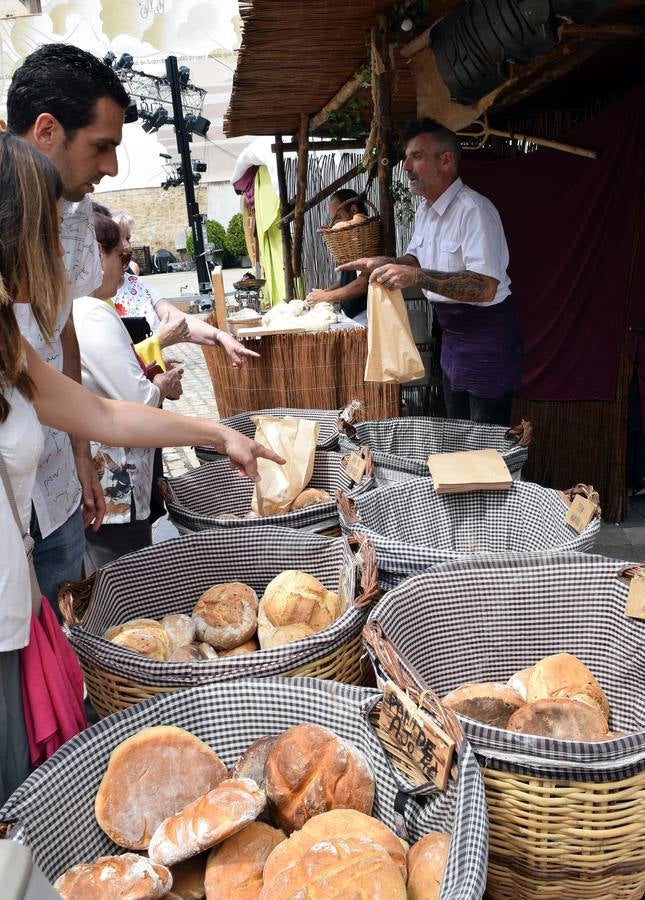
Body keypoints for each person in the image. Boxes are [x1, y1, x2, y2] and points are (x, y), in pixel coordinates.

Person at [0, 132, 283, 804]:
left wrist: (217, 433)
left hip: (13, 618)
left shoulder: (5, 338)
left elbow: (104, 415)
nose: (56, 253)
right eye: (47, 231)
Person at [6, 43, 130, 611]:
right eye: (101, 146)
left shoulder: (75, 222)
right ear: (47, 131)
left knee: (58, 647)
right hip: (10, 504)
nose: (111, 167)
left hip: (54, 487)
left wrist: (82, 454)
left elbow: (62, 338)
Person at [340, 118, 522, 425]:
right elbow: (415, 260)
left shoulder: (474, 210)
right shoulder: (426, 209)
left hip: (487, 342)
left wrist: (416, 277)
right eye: (407, 157)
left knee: (486, 446)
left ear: (446, 160)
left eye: (417, 157)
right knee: (458, 435)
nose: (406, 166)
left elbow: (485, 287)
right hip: (452, 342)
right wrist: (386, 262)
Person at [74, 211, 185, 571]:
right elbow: (137, 398)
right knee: (125, 574)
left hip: (109, 482)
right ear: (94, 255)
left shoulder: (85, 309)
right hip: (113, 484)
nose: (126, 266)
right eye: (119, 257)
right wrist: (160, 385)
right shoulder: (90, 312)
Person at [305, 189, 369, 324]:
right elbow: (348, 280)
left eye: (338, 218)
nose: (336, 225)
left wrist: (326, 296)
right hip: (351, 315)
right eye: (334, 221)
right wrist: (323, 293)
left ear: (353, 210)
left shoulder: (368, 237)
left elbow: (363, 283)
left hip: (367, 317)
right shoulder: (351, 239)